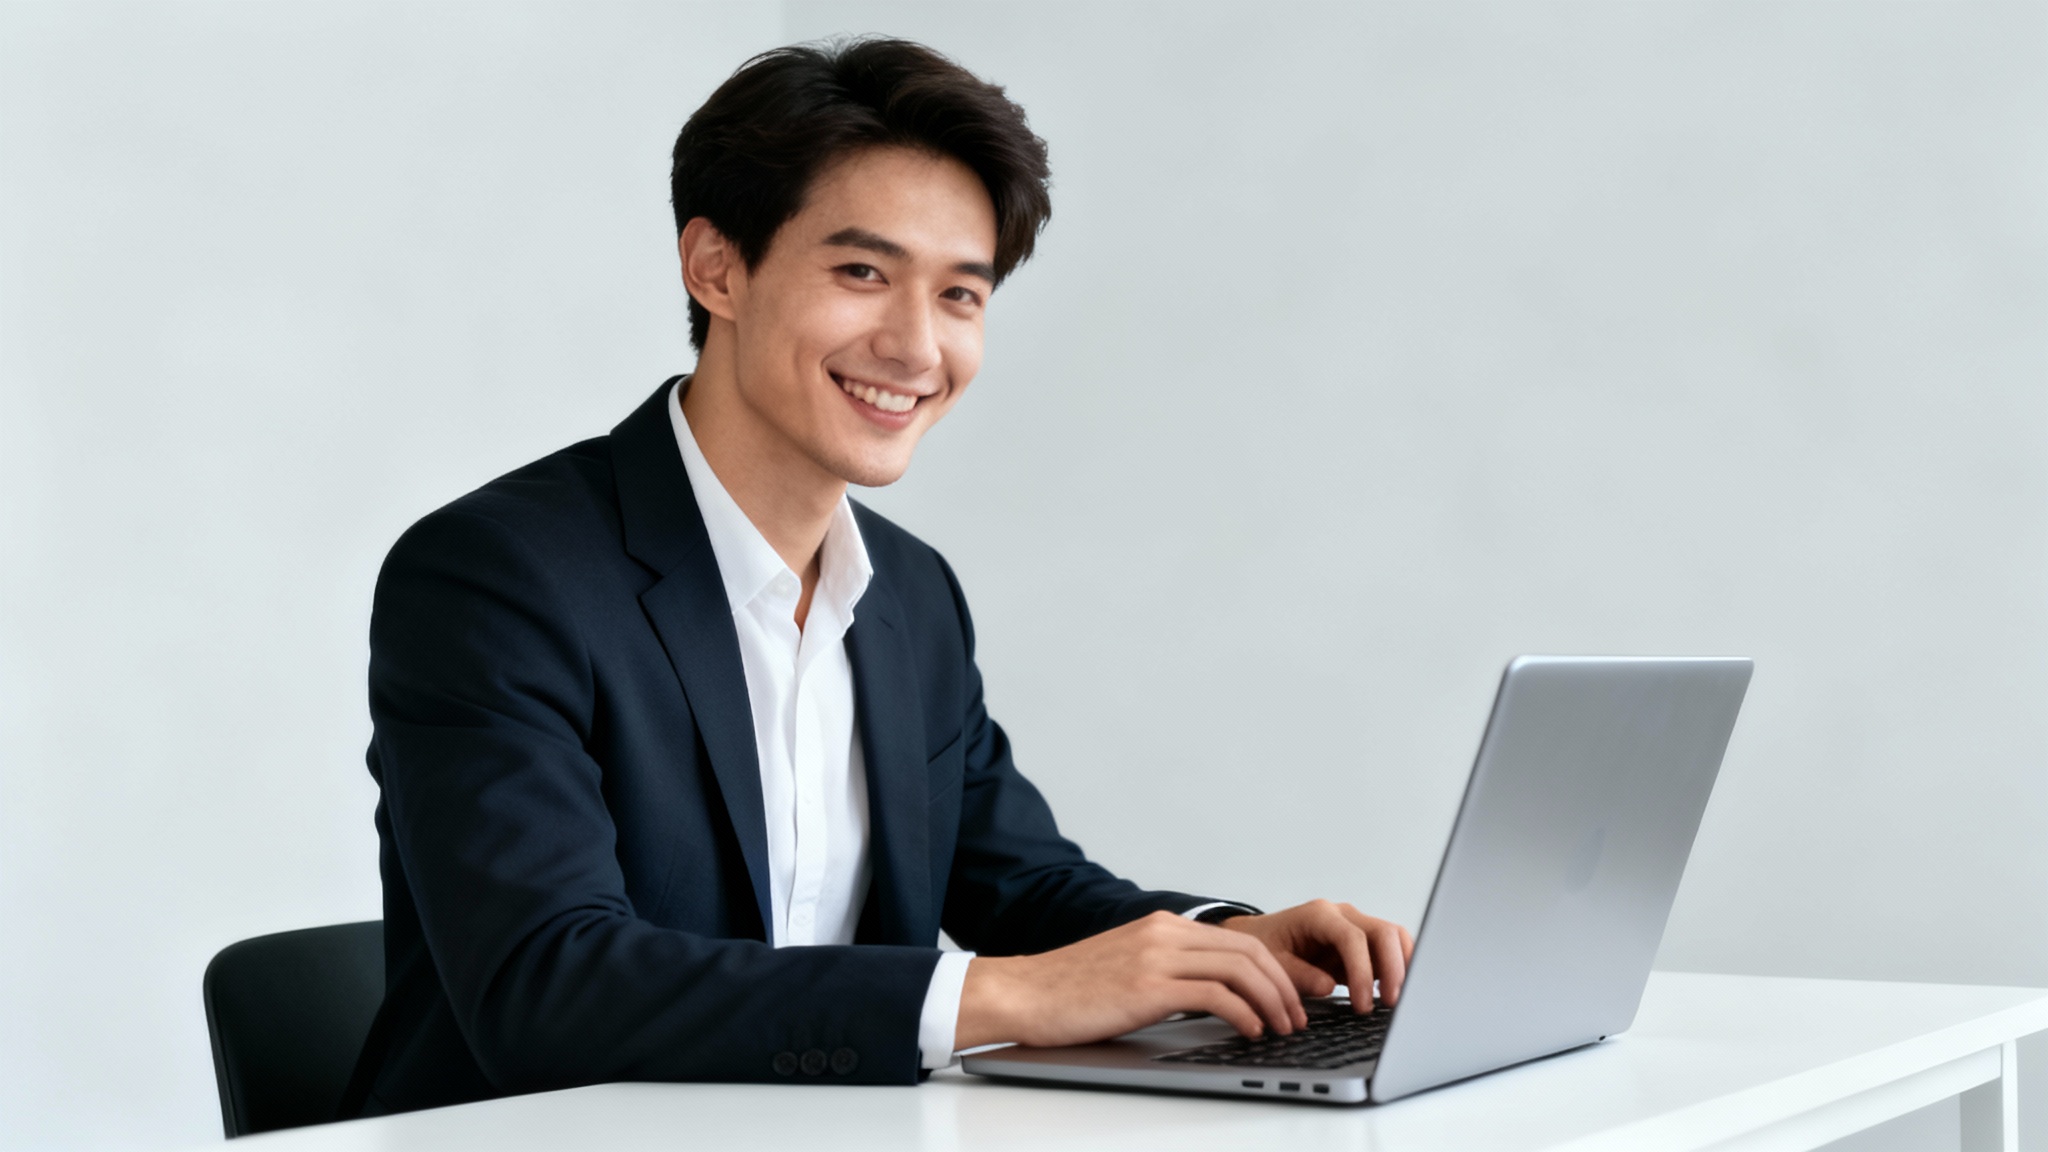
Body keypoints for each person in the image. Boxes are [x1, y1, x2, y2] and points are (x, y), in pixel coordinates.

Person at [343, 37, 1412, 1118]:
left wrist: (1229, 942)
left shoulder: (909, 595)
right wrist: (1001, 998)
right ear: (715, 267)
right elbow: (547, 989)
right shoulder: (496, 579)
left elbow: (1020, 886)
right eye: (862, 273)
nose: (915, 345)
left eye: (960, 296)